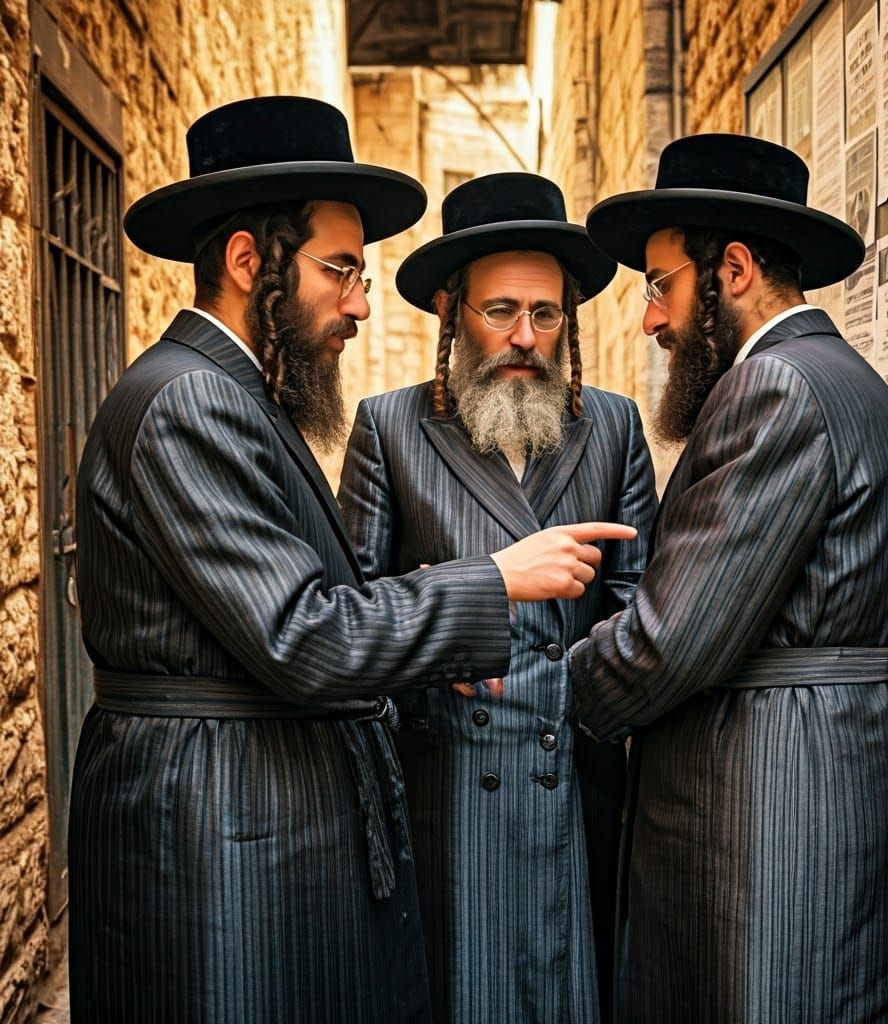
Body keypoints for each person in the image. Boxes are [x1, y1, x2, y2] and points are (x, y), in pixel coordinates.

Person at [69, 96, 634, 1023]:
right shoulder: (190, 403)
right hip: (213, 835)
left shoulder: (231, 395)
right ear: (251, 261)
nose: (363, 303)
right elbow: (299, 630)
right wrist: (492, 579)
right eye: (342, 270)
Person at [571, 133, 888, 1022]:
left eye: (660, 286)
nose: (650, 319)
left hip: (777, 824)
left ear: (731, 269)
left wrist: (546, 678)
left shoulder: (771, 389)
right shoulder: (836, 377)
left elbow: (668, 642)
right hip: (819, 801)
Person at [338, 172, 657, 1023]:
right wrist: (448, 636)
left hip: (575, 786)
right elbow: (354, 611)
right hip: (450, 794)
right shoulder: (389, 428)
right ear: (452, 311)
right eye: (501, 311)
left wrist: (570, 678)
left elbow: (638, 604)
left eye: (545, 314)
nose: (524, 336)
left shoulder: (615, 428)